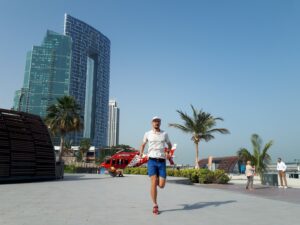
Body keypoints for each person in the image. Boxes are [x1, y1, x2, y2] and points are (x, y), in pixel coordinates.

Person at [140, 116, 172, 215]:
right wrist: (141, 153)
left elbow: (169, 145)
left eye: (158, 121)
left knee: (161, 185)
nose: (156, 123)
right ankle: (155, 205)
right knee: (153, 182)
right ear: (152, 123)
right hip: (152, 161)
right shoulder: (147, 134)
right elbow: (143, 144)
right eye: (155, 121)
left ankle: (158, 178)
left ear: (160, 123)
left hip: (162, 161)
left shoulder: (164, 134)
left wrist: (168, 152)